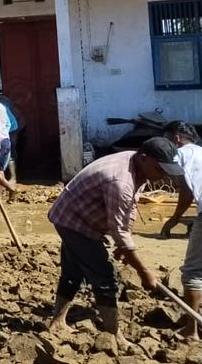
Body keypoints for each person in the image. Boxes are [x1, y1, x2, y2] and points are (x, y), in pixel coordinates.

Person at [47, 137, 181, 336]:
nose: (163, 176)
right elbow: (119, 229)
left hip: (84, 218)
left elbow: (129, 210)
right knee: (105, 278)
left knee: (73, 272)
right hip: (73, 221)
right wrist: (144, 272)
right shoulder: (120, 180)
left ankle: (57, 322)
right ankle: (113, 334)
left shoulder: (139, 167)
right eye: (160, 169)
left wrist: (124, 245)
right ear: (144, 158)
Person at [159, 122, 202, 340]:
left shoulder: (179, 155)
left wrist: (172, 221)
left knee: (193, 272)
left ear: (175, 138)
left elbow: (185, 193)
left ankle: (191, 330)